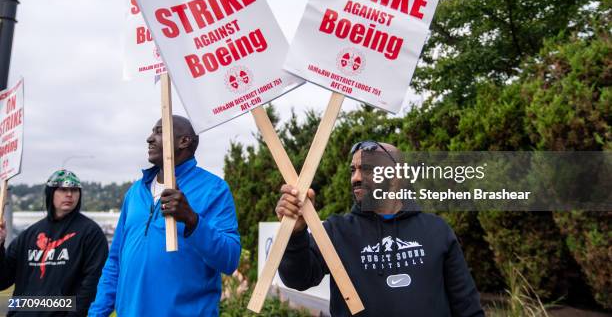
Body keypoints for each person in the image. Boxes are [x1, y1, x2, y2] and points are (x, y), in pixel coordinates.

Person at [276, 141, 484, 316]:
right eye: (353, 169)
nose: (356, 177)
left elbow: (467, 306)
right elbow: (298, 279)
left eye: (367, 169)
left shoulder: (437, 230)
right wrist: (295, 234)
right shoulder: (336, 231)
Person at [89, 115, 240, 317]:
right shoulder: (135, 192)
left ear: (184, 141)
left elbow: (229, 260)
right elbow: (115, 261)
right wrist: (96, 313)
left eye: (159, 131)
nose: (149, 138)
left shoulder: (214, 189)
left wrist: (192, 220)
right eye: (152, 131)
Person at [0, 170, 109, 316]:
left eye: (74, 190)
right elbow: (2, 280)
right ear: (51, 193)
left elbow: (92, 284)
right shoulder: (28, 235)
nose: (69, 194)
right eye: (63, 189)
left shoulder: (90, 233)